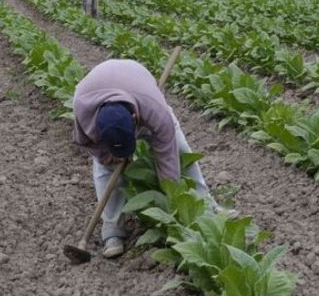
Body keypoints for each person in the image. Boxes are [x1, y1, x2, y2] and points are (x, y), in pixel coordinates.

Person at [73, 59, 229, 258]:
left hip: (138, 84)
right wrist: (105, 155)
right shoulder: (82, 108)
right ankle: (112, 230)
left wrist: (171, 198)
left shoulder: (153, 108)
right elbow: (85, 142)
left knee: (181, 149)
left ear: (135, 120)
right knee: (104, 168)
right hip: (98, 90)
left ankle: (207, 206)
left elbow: (167, 154)